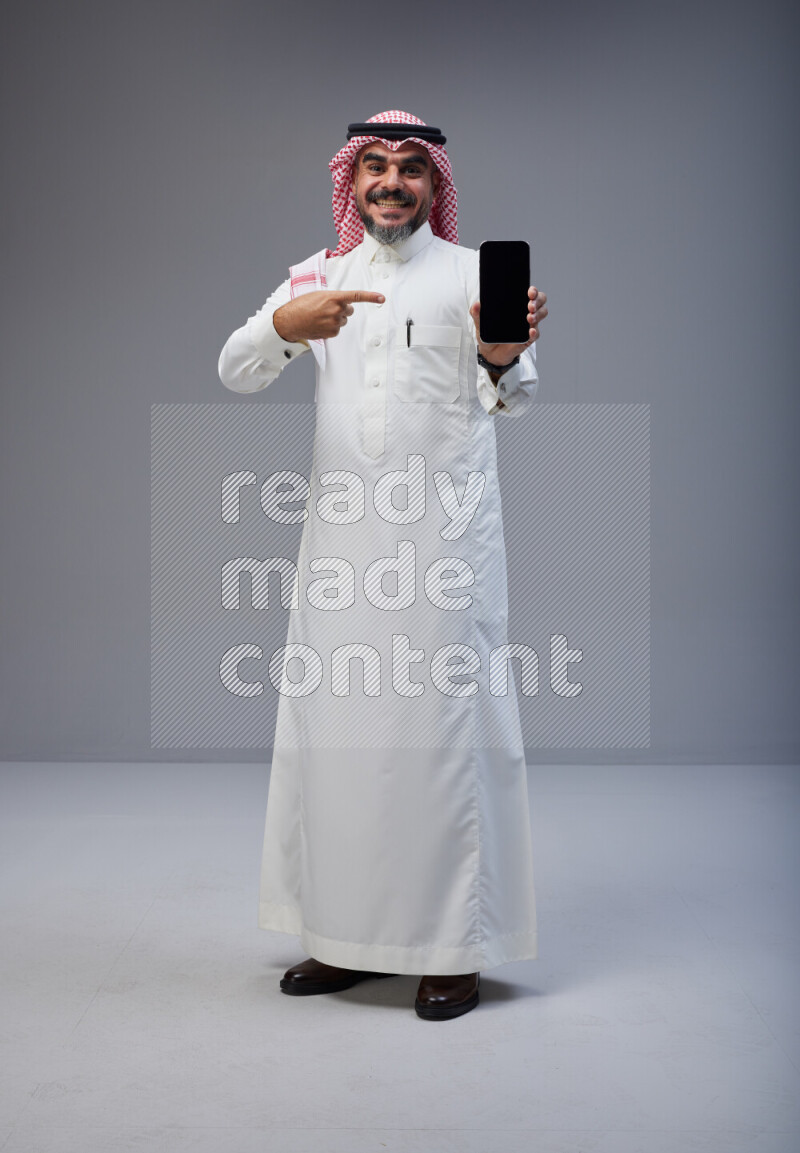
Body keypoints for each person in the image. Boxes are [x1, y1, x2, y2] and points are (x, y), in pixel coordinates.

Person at [218, 111, 548, 1021]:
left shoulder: (475, 273)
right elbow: (235, 368)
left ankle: (451, 949)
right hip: (341, 554)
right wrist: (288, 324)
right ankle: (341, 936)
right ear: (351, 182)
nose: (392, 182)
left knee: (440, 745)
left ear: (435, 185)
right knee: (341, 744)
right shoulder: (316, 276)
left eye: (411, 168)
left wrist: (501, 355)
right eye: (375, 166)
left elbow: (515, 399)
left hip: (444, 552)